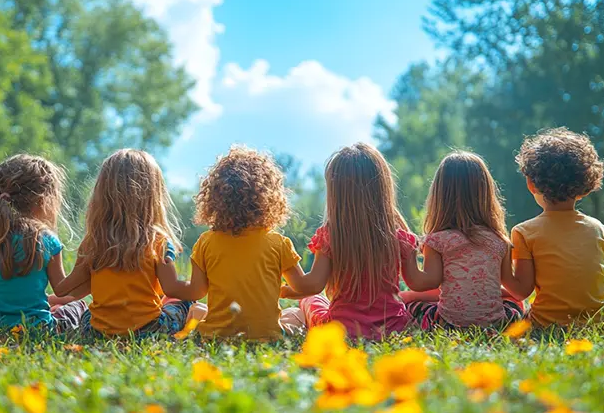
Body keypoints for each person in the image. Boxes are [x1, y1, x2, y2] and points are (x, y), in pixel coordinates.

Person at [49, 149, 203, 337]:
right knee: (182, 303)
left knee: (85, 310)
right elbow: (171, 288)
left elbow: (74, 289)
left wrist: (50, 297)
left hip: (97, 332)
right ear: (153, 195)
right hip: (147, 331)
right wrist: (199, 285)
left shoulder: (92, 244)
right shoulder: (158, 242)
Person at [160, 146, 305, 340]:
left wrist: (169, 286)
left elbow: (196, 290)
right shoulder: (278, 243)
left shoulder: (206, 242)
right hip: (267, 337)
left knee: (197, 309)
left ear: (214, 199)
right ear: (269, 199)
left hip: (216, 336)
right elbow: (305, 287)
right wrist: (284, 292)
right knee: (295, 315)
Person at [280, 143, 418, 339]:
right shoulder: (399, 238)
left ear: (336, 194)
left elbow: (312, 286)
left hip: (342, 329)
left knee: (310, 300)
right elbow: (416, 283)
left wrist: (284, 282)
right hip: (393, 327)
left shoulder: (331, 237)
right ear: (383, 189)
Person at [504, 128, 604, 327]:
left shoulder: (523, 232)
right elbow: (601, 278)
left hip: (548, 324)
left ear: (531, 184)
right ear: (585, 187)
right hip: (603, 322)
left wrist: (501, 270)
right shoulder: (597, 228)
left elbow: (521, 291)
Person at [0, 155, 85, 330]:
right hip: (37, 328)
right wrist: (86, 269)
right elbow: (63, 290)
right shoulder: (46, 240)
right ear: (43, 200)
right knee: (77, 307)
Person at [399, 151, 525, 329]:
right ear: (486, 195)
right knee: (516, 304)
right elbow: (514, 291)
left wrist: (408, 255)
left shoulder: (438, 241)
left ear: (439, 196)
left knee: (412, 307)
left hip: (448, 325)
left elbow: (421, 283)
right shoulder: (499, 241)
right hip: (496, 325)